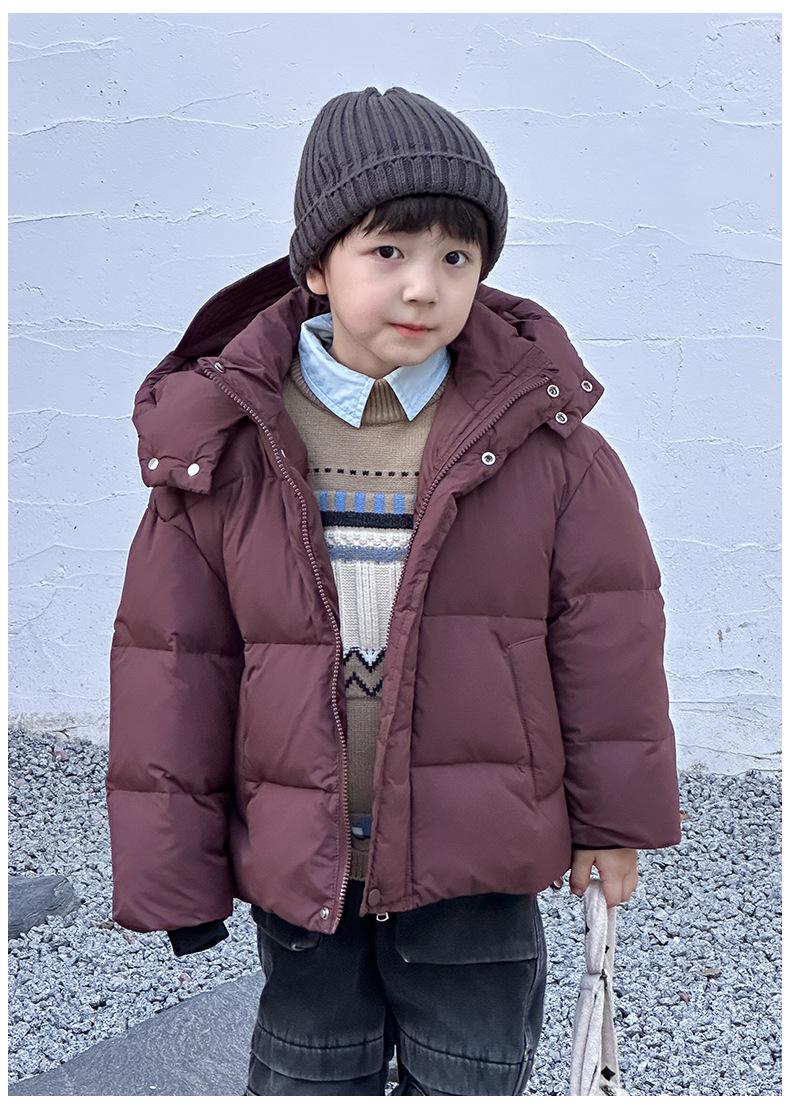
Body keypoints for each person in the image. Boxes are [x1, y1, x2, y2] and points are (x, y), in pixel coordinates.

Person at [105, 85, 682, 1095]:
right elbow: (174, 664)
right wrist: (176, 871)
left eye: (456, 258)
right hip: (304, 866)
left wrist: (612, 823)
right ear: (315, 267)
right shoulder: (226, 449)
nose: (423, 286)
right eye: (388, 251)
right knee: (307, 1073)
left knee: (470, 1076)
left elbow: (610, 649)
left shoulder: (549, 452)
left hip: (478, 869)